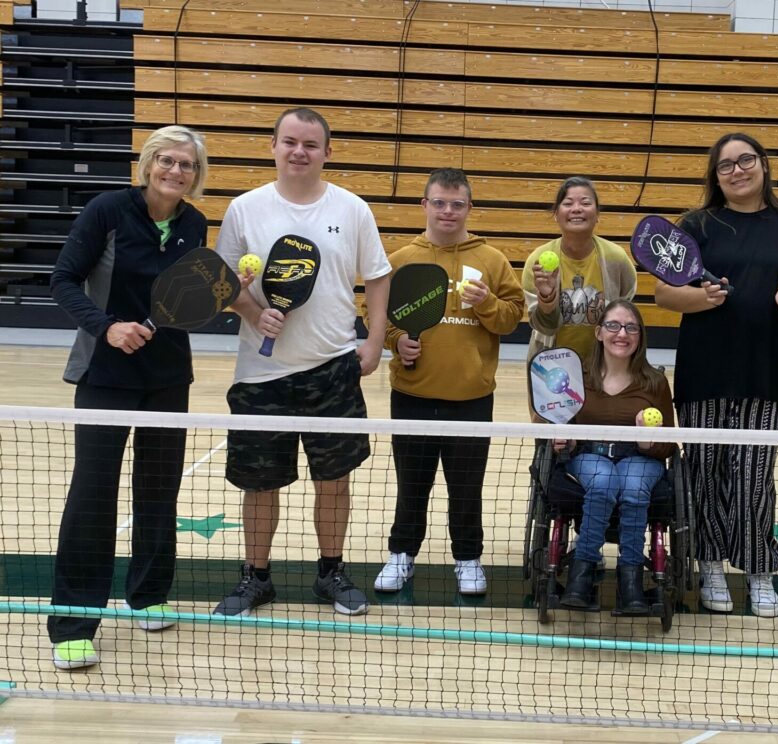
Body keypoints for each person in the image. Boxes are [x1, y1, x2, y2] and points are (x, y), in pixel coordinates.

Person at [213, 107, 391, 618]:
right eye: (289, 141)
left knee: (334, 481)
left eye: (310, 145)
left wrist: (374, 341)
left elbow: (377, 276)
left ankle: (331, 571)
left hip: (333, 368)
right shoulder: (246, 208)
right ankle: (255, 578)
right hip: (259, 374)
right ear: (273, 145)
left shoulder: (353, 209)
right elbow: (225, 281)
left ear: (326, 151)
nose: (299, 152)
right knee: (258, 483)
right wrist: (252, 312)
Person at [47, 125, 210, 669]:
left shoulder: (192, 223)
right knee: (93, 496)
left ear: (196, 175)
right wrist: (107, 327)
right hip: (105, 374)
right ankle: (73, 623)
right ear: (148, 164)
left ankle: (148, 595)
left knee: (158, 493)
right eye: (167, 161)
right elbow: (63, 280)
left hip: (167, 376)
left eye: (187, 165)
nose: (176, 171)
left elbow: (187, 298)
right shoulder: (107, 210)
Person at [654, 132, 778, 618]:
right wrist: (699, 298)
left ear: (763, 165)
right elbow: (665, 294)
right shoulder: (696, 225)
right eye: (726, 165)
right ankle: (708, 564)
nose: (737, 170)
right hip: (704, 369)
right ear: (715, 176)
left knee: (753, 477)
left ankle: (757, 568)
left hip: (762, 371)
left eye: (745, 160)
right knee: (705, 474)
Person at [372, 168, 524, 595]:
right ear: (424, 205)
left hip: (471, 397)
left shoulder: (492, 260)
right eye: (438, 202)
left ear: (469, 208)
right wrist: (397, 341)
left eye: (457, 204)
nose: (447, 211)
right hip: (412, 394)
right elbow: (377, 316)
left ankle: (468, 558)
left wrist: (488, 303)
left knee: (466, 487)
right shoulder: (401, 260)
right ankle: (401, 555)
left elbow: (512, 318)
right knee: (411, 484)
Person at [554, 300, 676, 614]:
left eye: (630, 327)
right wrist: (559, 437)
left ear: (640, 336)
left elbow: (670, 446)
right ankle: (582, 574)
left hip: (641, 458)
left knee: (634, 488)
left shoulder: (655, 382)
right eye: (613, 325)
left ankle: (631, 582)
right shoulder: (577, 377)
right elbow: (557, 421)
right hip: (589, 454)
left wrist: (648, 442)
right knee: (604, 480)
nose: (622, 333)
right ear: (598, 332)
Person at [522, 176, 637, 363]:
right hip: (552, 364)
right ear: (556, 214)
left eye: (585, 202)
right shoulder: (537, 262)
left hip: (605, 364)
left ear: (597, 213)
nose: (577, 209)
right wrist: (547, 298)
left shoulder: (616, 258)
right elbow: (545, 328)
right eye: (568, 203)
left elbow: (625, 314)